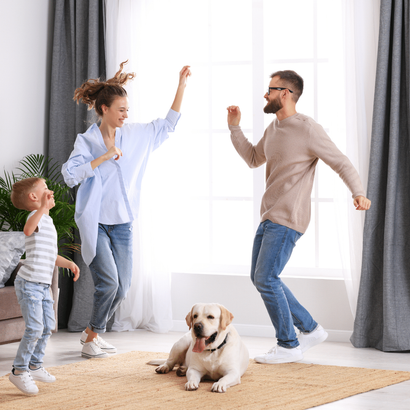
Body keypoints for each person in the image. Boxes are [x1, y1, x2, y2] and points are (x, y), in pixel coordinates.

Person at [226, 70, 371, 364]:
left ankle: (288, 344)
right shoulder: (274, 128)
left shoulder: (308, 129)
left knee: (266, 277)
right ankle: (310, 329)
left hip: (288, 217)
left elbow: (340, 162)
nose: (265, 94)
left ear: (286, 93)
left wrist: (358, 191)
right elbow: (254, 158)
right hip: (269, 214)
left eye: (271, 89)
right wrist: (235, 129)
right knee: (260, 277)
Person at [62, 62, 191, 359]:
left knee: (122, 288)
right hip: (95, 223)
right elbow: (70, 174)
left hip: (123, 225)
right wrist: (103, 157)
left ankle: (90, 333)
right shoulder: (87, 141)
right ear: (104, 109)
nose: (126, 115)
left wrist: (181, 87)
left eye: (127, 110)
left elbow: (168, 124)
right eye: (121, 109)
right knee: (108, 283)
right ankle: (92, 338)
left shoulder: (136, 135)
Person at [9, 177, 80, 395]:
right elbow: (28, 230)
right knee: (35, 328)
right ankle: (19, 371)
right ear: (34, 197)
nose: (50, 191)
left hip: (43, 286)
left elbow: (50, 254)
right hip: (29, 284)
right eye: (45, 189)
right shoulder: (35, 216)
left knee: (48, 326)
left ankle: (35, 364)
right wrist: (40, 208)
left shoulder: (47, 222)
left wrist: (67, 263)